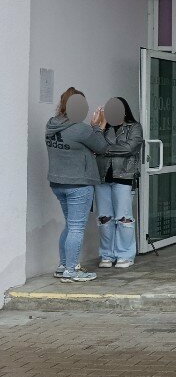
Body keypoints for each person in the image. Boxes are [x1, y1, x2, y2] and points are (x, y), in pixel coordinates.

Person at [46, 87, 108, 283]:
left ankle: (63, 266)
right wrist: (98, 127)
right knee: (76, 228)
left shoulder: (51, 124)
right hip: (78, 184)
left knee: (70, 225)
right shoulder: (81, 129)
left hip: (57, 183)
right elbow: (101, 147)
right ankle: (71, 271)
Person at [92, 97, 144, 269]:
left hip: (124, 176)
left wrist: (104, 149)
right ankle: (106, 255)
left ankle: (125, 255)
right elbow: (93, 145)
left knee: (124, 218)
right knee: (104, 219)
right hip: (102, 177)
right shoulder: (103, 128)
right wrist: (98, 128)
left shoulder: (134, 127)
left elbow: (130, 148)